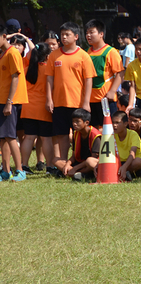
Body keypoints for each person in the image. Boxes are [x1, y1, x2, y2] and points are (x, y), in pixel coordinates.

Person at [45, 22, 96, 170]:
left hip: (77, 103)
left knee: (78, 135)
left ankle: (76, 162)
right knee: (61, 135)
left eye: (67, 34)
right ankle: (62, 163)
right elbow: (49, 79)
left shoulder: (84, 56)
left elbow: (88, 80)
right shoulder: (54, 55)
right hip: (59, 102)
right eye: (62, 35)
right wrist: (49, 99)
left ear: (76, 36)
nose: (64, 37)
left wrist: (86, 102)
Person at [20, 42, 54, 174]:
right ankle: (50, 166)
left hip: (28, 107)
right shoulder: (48, 70)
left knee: (28, 137)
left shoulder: (27, 69)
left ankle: (24, 165)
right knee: (46, 138)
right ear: (47, 56)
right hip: (44, 107)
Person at [0, 24, 28, 182]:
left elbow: (16, 77)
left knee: (10, 137)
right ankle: (5, 171)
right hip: (2, 100)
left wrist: (9, 102)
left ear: (4, 36)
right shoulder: (3, 54)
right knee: (3, 137)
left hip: (10, 101)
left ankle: (20, 170)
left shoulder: (13, 53)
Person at [85, 19, 123, 128]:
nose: (88, 35)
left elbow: (120, 73)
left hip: (105, 99)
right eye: (87, 33)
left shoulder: (111, 52)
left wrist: (112, 91)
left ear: (101, 34)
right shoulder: (86, 53)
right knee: (94, 129)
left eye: (92, 32)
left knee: (108, 127)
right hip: (90, 99)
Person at [53, 108, 100, 180]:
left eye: (77, 121)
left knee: (89, 161)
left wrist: (75, 168)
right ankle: (75, 173)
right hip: (80, 163)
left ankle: (77, 173)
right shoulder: (76, 133)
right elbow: (74, 156)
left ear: (86, 123)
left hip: (90, 164)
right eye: (73, 121)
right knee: (55, 160)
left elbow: (94, 157)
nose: (74, 124)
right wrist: (67, 165)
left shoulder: (95, 135)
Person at [111, 110, 141, 181]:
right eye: (113, 122)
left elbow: (132, 154)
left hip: (130, 163)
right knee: (91, 161)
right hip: (116, 163)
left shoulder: (133, 134)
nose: (114, 125)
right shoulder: (111, 135)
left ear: (125, 124)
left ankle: (122, 172)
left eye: (117, 123)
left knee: (138, 162)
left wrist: (124, 167)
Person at [124, 37, 141, 116]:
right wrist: (130, 104)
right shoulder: (131, 65)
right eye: (136, 49)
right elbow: (132, 86)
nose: (138, 52)